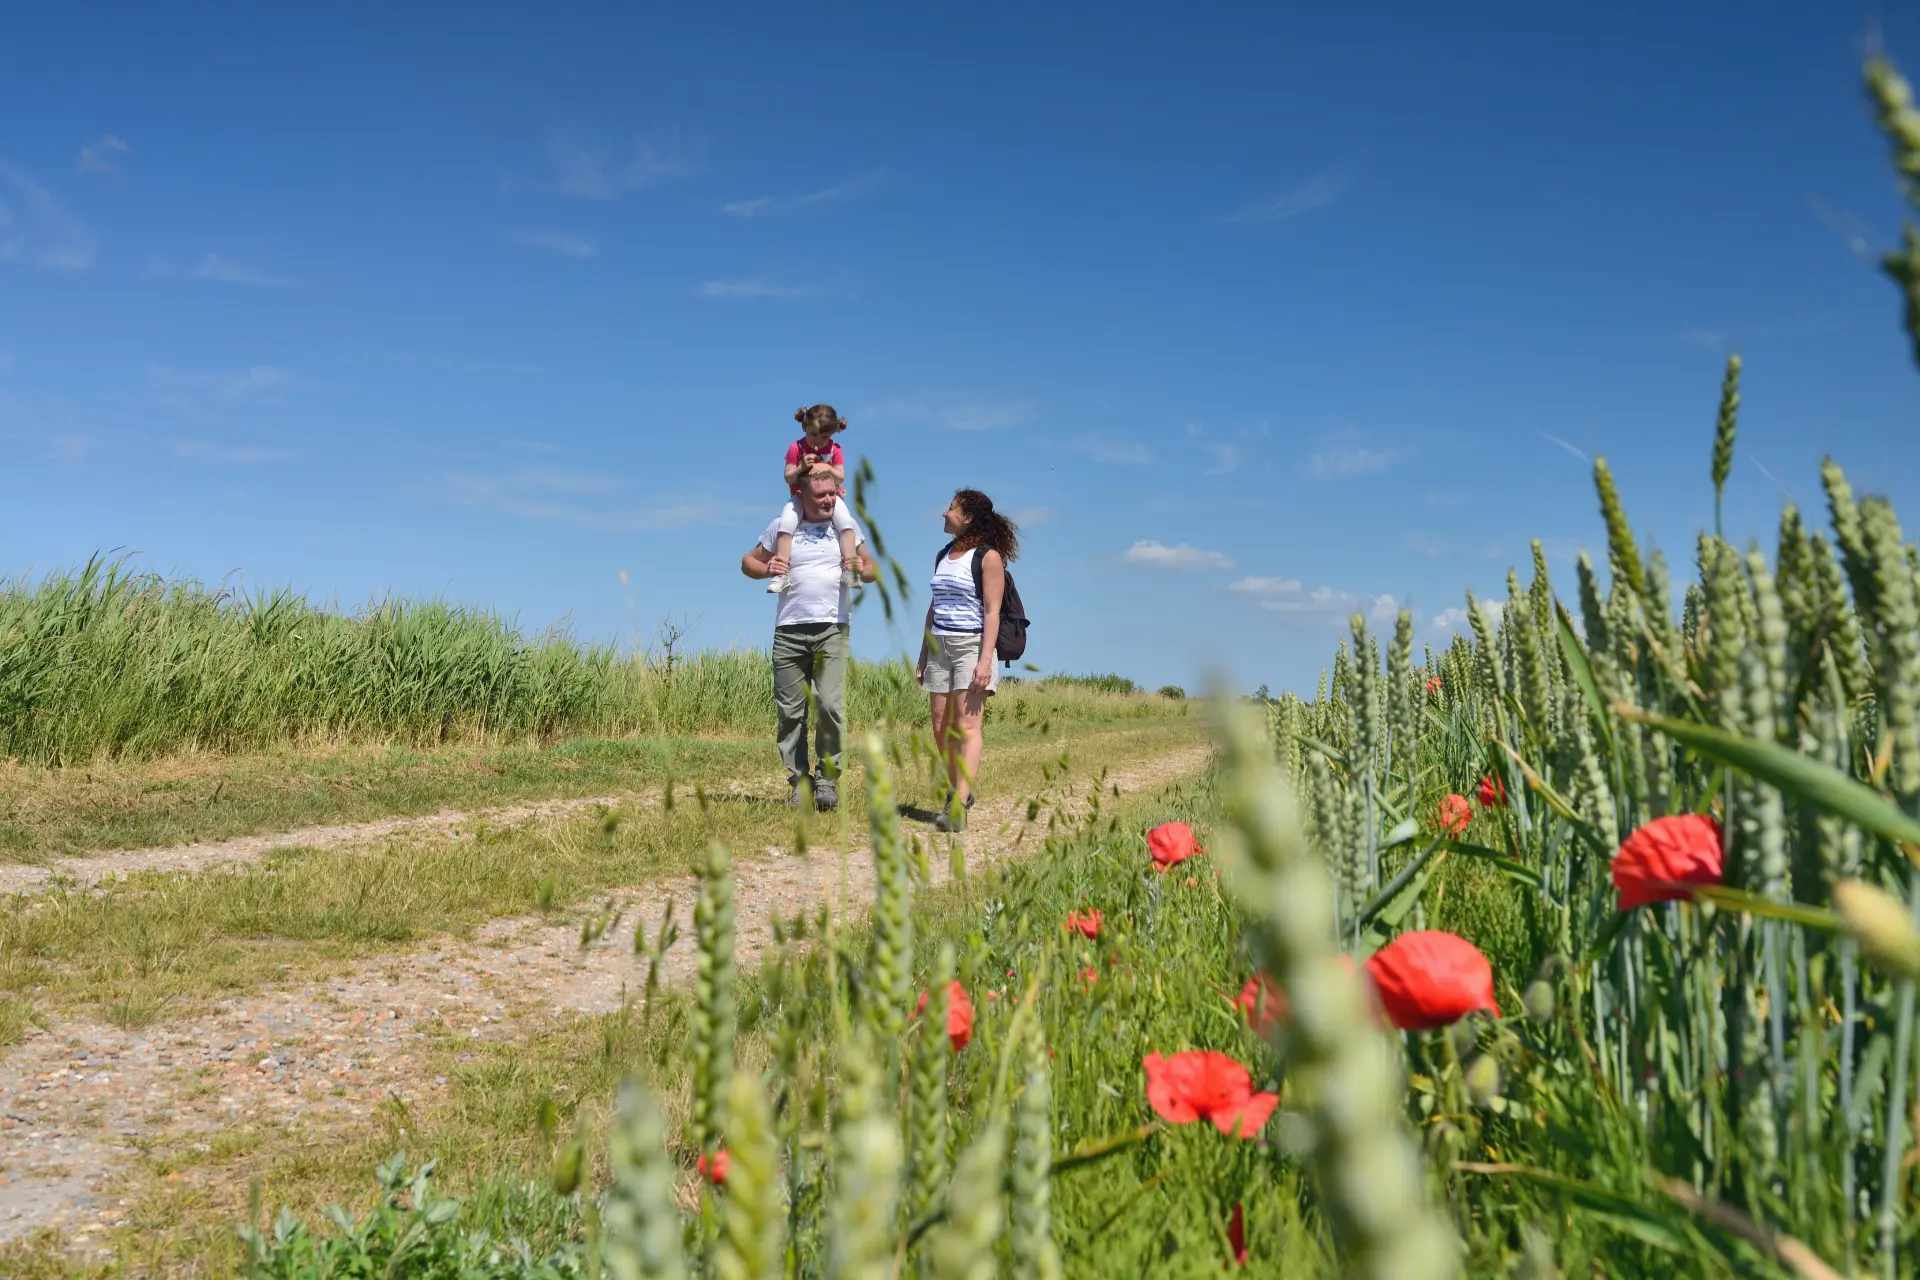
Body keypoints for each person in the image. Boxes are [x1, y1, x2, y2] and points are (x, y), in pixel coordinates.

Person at [741, 464, 878, 810]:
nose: (829, 499)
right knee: (790, 712)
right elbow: (747, 563)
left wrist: (863, 569)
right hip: (789, 630)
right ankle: (799, 781)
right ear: (802, 495)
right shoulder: (783, 526)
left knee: (829, 705)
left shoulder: (844, 527)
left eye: (833, 493)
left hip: (832, 627)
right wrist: (766, 568)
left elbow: (872, 567)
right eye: (821, 495)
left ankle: (827, 781)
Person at [916, 489, 1019, 832]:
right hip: (939, 645)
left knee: (967, 725)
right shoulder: (943, 554)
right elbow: (934, 607)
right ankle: (961, 787)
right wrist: (923, 653)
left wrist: (985, 660)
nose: (944, 514)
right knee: (940, 725)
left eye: (951, 509)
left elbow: (992, 611)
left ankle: (958, 802)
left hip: (971, 645)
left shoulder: (988, 558)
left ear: (968, 517)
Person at [766, 404, 860, 596]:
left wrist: (828, 469)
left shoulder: (835, 449)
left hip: (831, 497)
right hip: (800, 496)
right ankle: (781, 572)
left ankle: (851, 569)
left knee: (847, 525)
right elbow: (788, 477)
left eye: (824, 436)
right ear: (804, 427)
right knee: (786, 524)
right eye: (813, 434)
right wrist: (801, 467)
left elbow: (840, 477)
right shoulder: (796, 447)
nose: (818, 440)